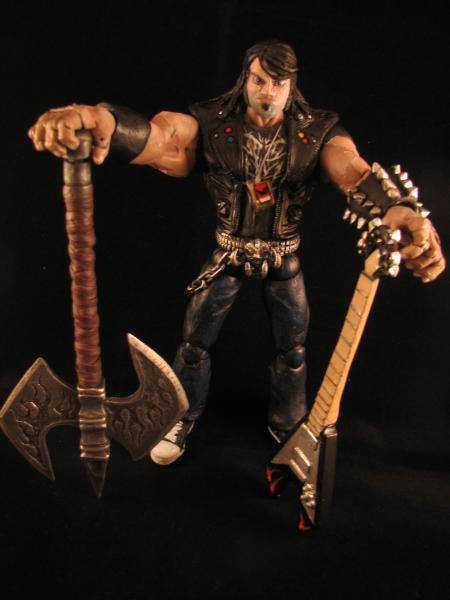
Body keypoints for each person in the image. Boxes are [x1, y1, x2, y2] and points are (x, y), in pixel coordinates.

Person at [28, 40, 445, 466]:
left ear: (292, 86)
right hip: (229, 253)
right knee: (194, 342)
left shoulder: (316, 134)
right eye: (260, 80)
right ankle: (181, 415)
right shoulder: (212, 126)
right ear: (245, 78)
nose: (268, 92)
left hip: (284, 256)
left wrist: (398, 209)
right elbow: (162, 138)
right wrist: (104, 121)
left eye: (278, 83)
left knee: (293, 348)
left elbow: (353, 172)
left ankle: (290, 424)